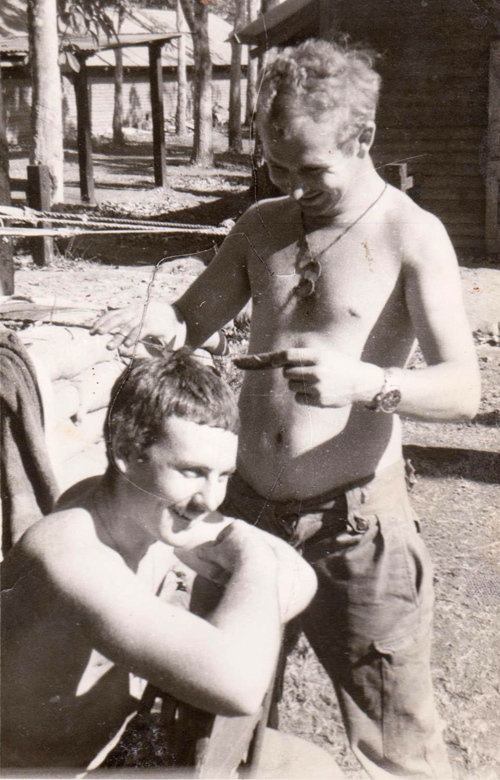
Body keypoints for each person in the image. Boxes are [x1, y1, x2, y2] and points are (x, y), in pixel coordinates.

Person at [92, 40, 481, 779]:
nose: (291, 186)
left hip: (356, 528)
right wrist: (166, 330)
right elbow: (190, 318)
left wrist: (364, 382)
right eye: (275, 165)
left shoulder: (410, 234)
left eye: (312, 170)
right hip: (242, 516)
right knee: (208, 723)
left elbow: (465, 390)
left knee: (396, 745)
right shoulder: (260, 226)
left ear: (363, 138)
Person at [1, 352, 317, 770]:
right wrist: (252, 558)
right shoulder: (72, 554)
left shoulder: (140, 509)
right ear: (127, 453)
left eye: (223, 476)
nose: (211, 500)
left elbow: (301, 575)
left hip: (94, 758)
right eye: (191, 471)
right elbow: (239, 685)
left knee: (311, 765)